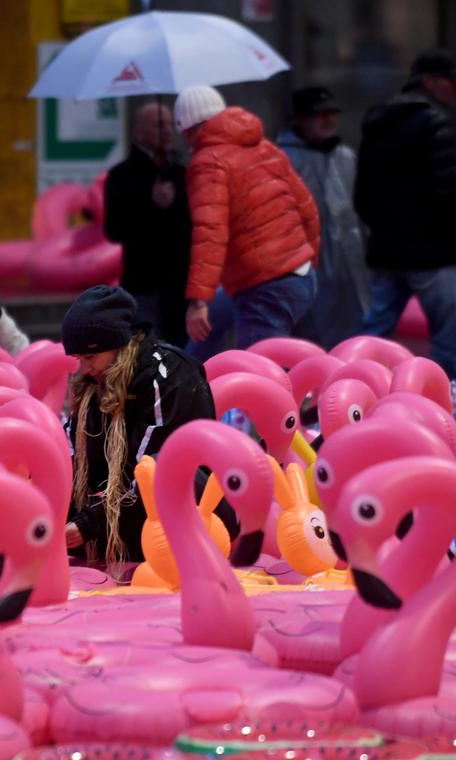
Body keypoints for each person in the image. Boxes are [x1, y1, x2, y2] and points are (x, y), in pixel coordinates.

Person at [60, 285, 219, 573]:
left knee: (157, 469)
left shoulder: (168, 375)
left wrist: (88, 525)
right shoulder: (92, 386)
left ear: (117, 345)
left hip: (188, 522)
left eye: (90, 356)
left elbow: (152, 474)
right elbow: (72, 458)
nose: (84, 368)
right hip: (120, 524)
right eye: (78, 359)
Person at [354, 49, 456, 380]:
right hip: (432, 251)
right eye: (451, 81)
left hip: (387, 248)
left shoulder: (377, 122)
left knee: (373, 332)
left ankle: (353, 388)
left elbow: (362, 195)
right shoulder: (434, 123)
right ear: (430, 81)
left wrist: (384, 229)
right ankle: (445, 398)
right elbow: (447, 194)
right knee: (446, 337)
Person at [175, 85, 321, 350]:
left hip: (264, 287)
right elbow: (306, 207)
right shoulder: (264, 146)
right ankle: (183, 385)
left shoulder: (207, 162)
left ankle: (186, 386)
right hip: (301, 275)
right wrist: (310, 259)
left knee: (260, 375)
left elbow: (210, 233)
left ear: (186, 129)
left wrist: (198, 302)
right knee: (208, 332)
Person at [278, 86, 372, 348]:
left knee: (353, 336)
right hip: (306, 265)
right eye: (319, 114)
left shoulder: (345, 156)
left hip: (350, 266)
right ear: (300, 119)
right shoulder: (283, 159)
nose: (328, 120)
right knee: (309, 337)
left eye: (331, 113)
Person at [103, 101, 193, 346]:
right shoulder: (121, 176)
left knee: (181, 352)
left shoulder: (183, 173)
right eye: (158, 125)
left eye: (169, 124)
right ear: (139, 131)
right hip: (143, 284)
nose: (166, 130)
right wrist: (149, 204)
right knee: (145, 351)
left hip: (180, 285)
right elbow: (114, 230)